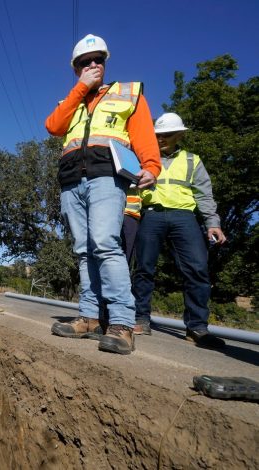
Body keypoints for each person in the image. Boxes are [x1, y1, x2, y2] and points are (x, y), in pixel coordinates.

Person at [45, 33, 161, 355]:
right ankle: (90, 318)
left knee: (106, 244)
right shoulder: (71, 101)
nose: (93, 65)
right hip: (71, 182)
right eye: (85, 62)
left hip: (106, 179)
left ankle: (122, 323)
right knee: (83, 251)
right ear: (77, 68)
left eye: (98, 60)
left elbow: (143, 133)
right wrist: (80, 88)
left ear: (105, 63)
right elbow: (53, 127)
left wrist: (152, 165)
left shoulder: (127, 94)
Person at [132, 113, 226, 347]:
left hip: (185, 217)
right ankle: (140, 318)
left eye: (168, 135)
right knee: (144, 268)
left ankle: (196, 328)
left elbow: (204, 194)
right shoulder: (143, 159)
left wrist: (212, 223)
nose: (161, 139)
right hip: (152, 214)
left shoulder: (193, 160)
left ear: (180, 135)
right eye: (158, 135)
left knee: (197, 269)